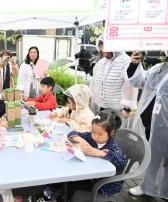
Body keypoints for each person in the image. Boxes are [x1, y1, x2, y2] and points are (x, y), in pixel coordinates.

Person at [128, 51, 168, 197]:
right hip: (152, 124)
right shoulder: (158, 68)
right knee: (152, 157)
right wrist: (134, 64)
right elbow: (139, 81)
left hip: (166, 126)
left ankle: (164, 190)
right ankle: (148, 187)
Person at [66, 111, 126, 198]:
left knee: (71, 186)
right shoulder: (91, 136)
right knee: (68, 181)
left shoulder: (113, 145)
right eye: (93, 132)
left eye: (100, 134)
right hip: (90, 174)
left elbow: (121, 165)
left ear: (111, 133)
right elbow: (71, 134)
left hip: (104, 184)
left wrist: (101, 153)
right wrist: (80, 140)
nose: (95, 137)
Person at [89, 36, 137, 112]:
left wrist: (127, 108)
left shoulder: (126, 63)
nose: (102, 51)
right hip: (100, 107)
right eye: (101, 48)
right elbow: (93, 85)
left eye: (105, 48)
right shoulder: (100, 64)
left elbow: (130, 86)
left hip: (119, 111)